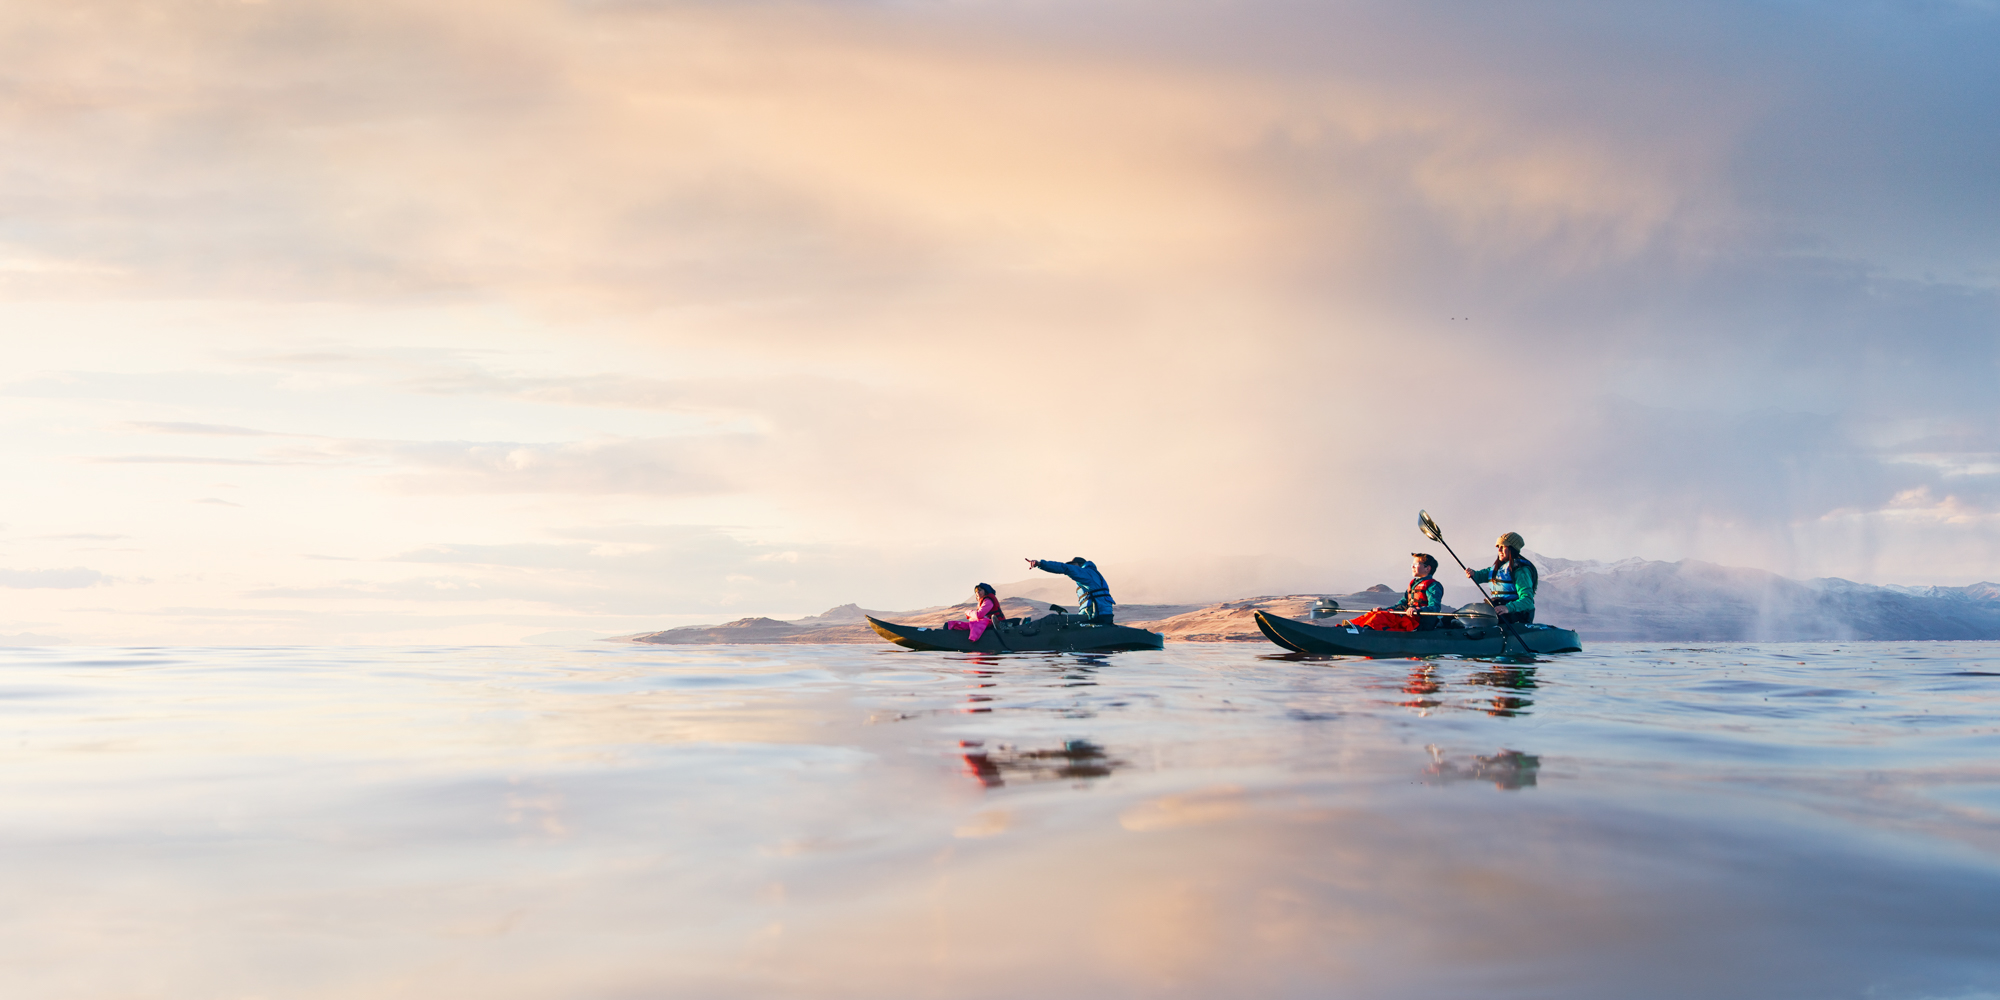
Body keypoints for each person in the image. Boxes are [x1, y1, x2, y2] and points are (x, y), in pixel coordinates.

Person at [1346, 553, 1445, 632]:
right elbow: (1401, 604)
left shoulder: (1433, 585)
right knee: (1377, 613)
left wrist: (1418, 609)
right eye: (1412, 565)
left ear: (1428, 568)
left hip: (1418, 622)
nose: (1412, 567)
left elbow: (1435, 607)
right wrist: (1385, 609)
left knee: (1380, 617)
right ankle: (1350, 627)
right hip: (1408, 618)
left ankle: (1365, 631)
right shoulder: (1413, 584)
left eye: (1415, 564)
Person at [1466, 532, 1537, 625]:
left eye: (1503, 547)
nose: (1499, 549)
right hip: (1498, 609)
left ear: (1512, 549)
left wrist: (1508, 608)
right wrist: (1474, 574)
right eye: (1498, 546)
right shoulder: (1499, 567)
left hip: (1514, 615)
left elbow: (1528, 600)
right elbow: (1482, 575)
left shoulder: (1520, 570)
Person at [1024, 556, 1115, 625]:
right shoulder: (1094, 574)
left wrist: (1040, 564)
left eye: (1073, 566)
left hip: (1095, 616)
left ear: (1079, 565)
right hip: (1104, 614)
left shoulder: (1084, 573)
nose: (1071, 568)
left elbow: (1064, 568)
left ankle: (1025, 630)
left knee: (1053, 619)